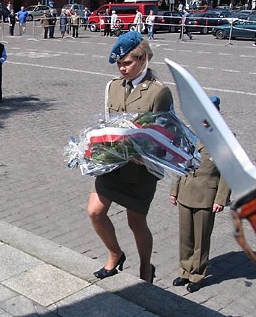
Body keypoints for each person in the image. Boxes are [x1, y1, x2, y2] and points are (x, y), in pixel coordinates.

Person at [87, 31, 173, 284]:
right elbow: (107, 123)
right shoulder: (112, 87)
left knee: (136, 222)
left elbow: (167, 133)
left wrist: (144, 152)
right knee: (95, 212)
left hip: (140, 171)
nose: (122, 69)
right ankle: (115, 254)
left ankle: (146, 266)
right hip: (112, 166)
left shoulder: (159, 92)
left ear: (143, 59)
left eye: (127, 63)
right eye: (119, 64)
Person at [169, 96, 230, 293]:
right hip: (186, 190)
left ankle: (197, 274)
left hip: (206, 196)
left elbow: (227, 173)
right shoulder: (189, 134)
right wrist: (174, 189)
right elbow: (180, 163)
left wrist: (220, 199)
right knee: (185, 236)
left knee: (201, 238)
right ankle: (185, 271)